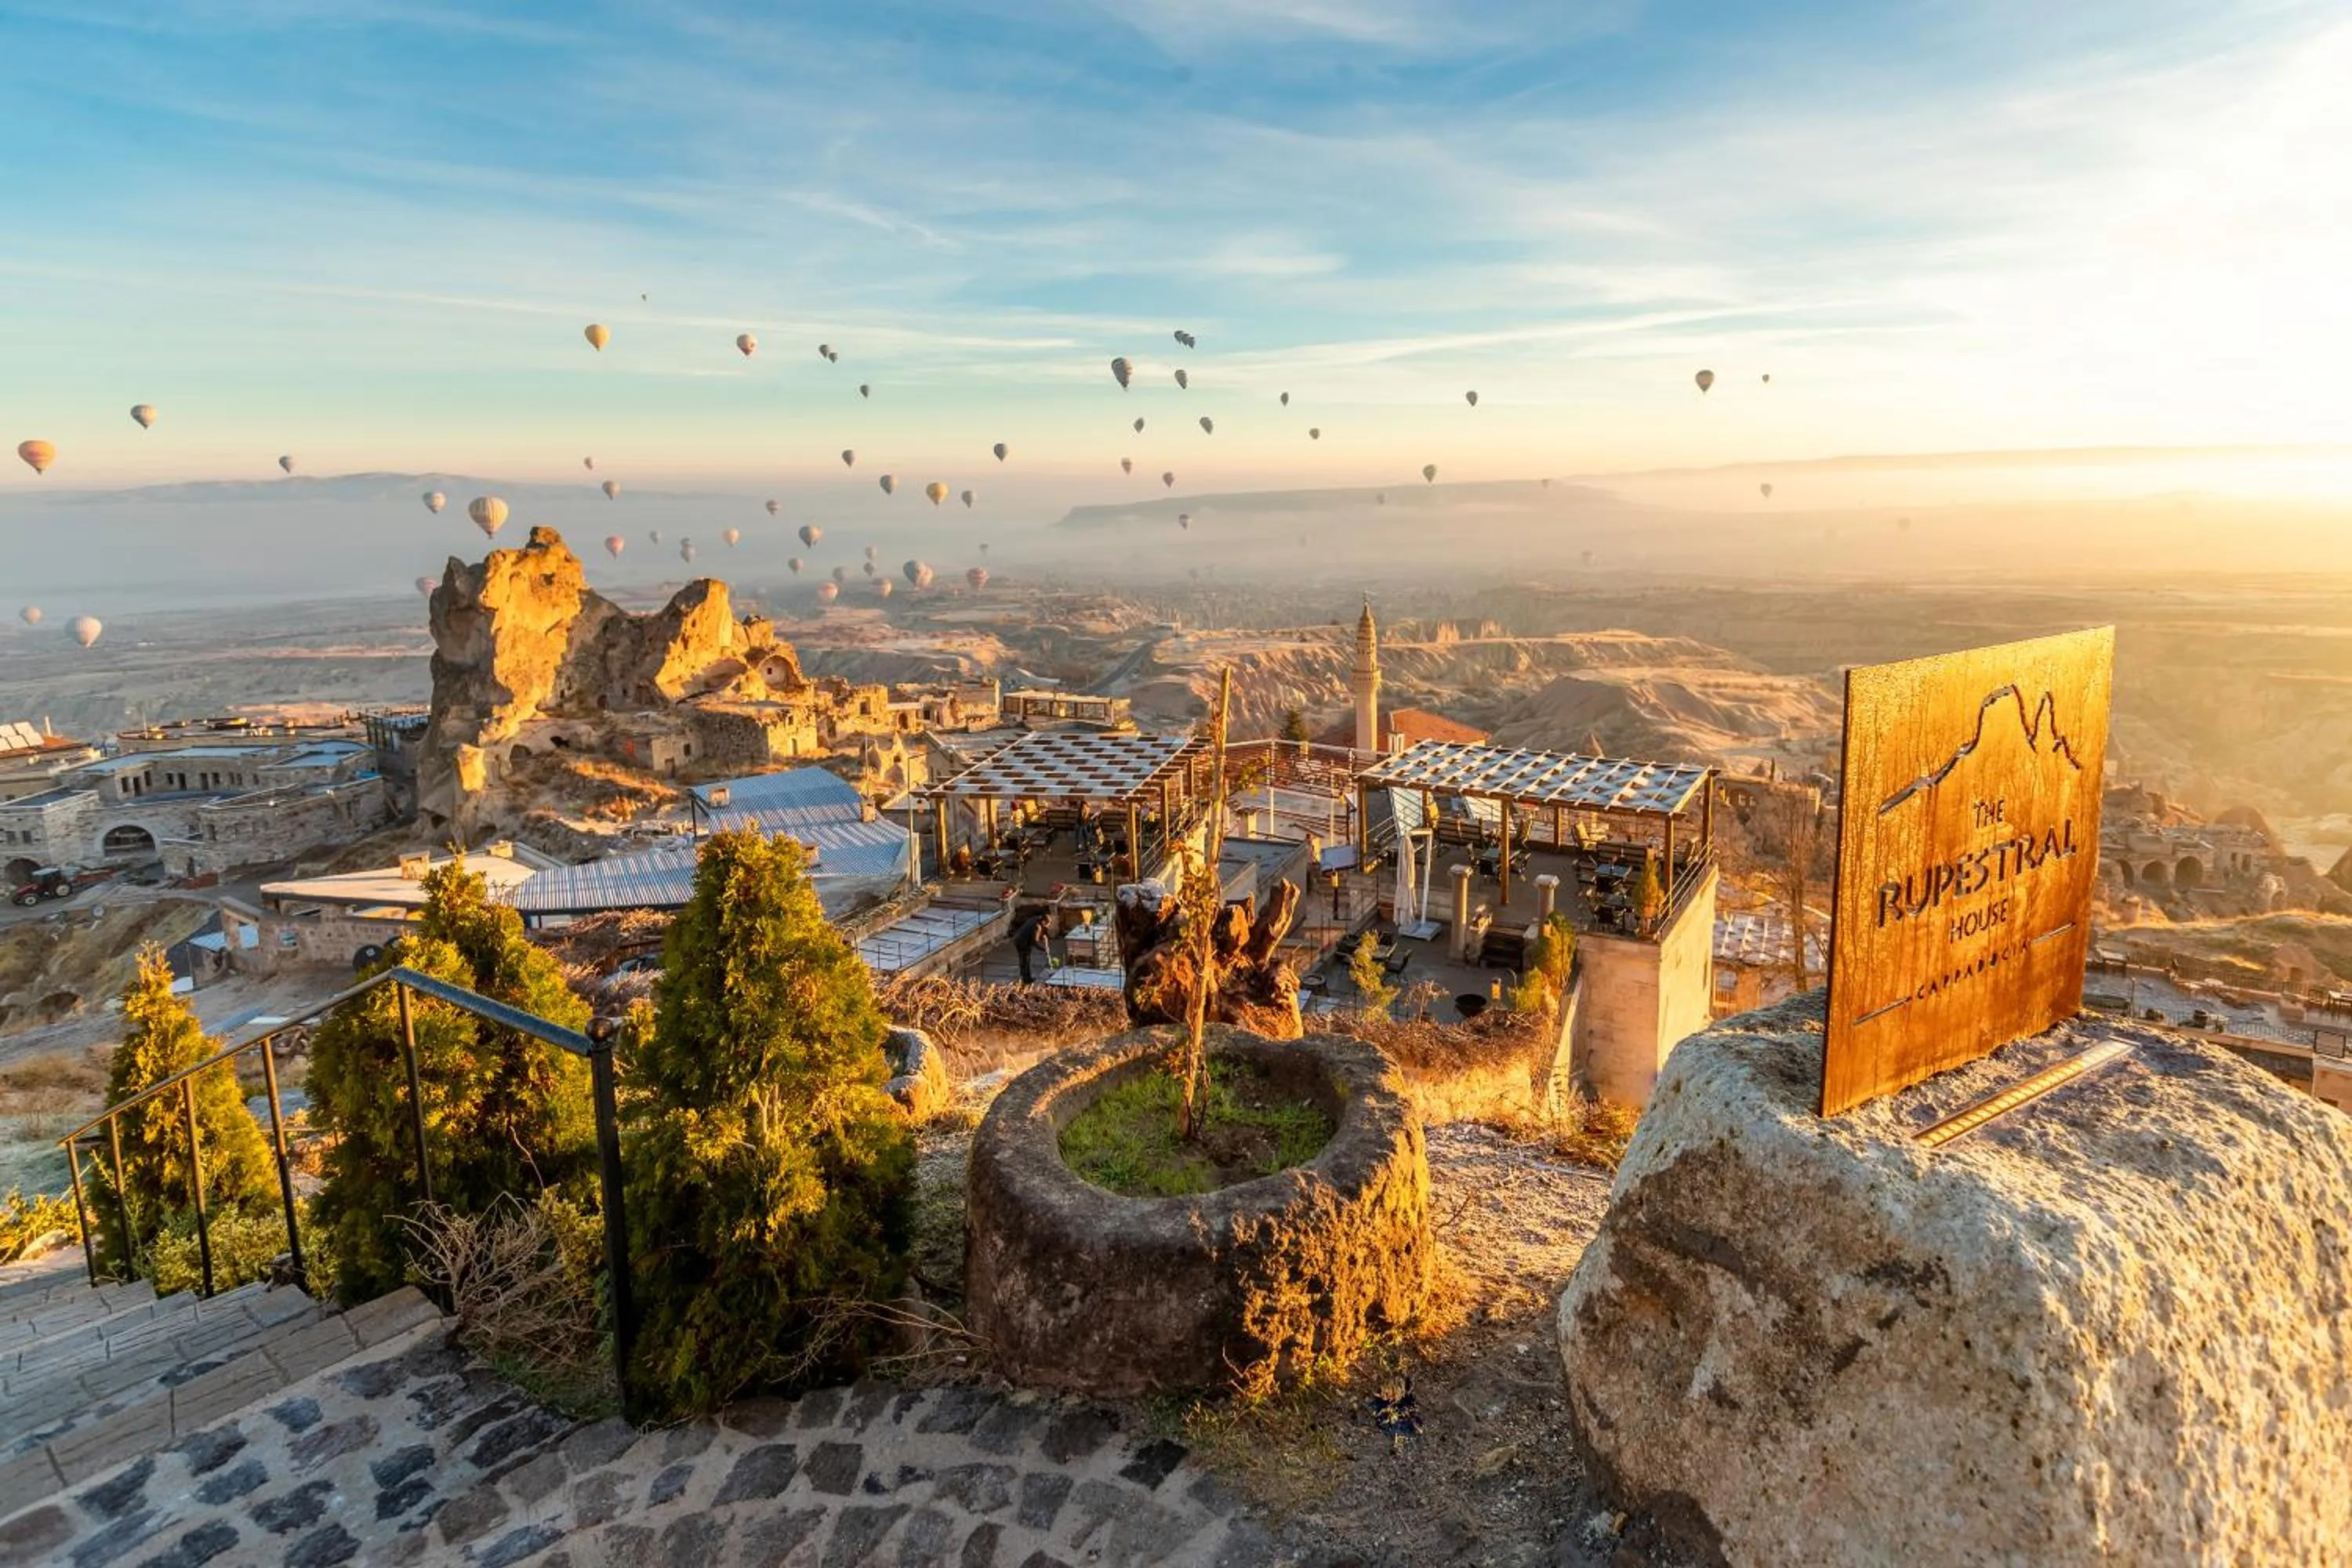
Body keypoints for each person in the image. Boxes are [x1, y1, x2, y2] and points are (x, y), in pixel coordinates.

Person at [1011, 909, 1047, 985]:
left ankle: (1024, 977)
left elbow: (1033, 933)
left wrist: (1042, 935)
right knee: (1026, 960)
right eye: (1047, 924)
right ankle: (1026, 979)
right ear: (1043, 922)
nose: (1047, 926)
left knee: (1023, 960)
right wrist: (1044, 949)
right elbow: (1035, 942)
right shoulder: (1037, 927)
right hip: (1022, 942)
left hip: (1017, 938)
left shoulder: (1035, 919)